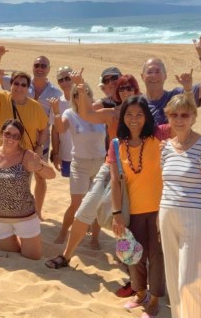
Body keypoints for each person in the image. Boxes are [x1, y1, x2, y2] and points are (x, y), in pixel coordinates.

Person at [44, 74, 140, 269]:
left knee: (130, 217)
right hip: (110, 166)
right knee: (85, 208)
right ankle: (66, 255)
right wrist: (79, 85)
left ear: (137, 90)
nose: (126, 91)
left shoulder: (145, 113)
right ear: (117, 93)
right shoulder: (110, 113)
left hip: (136, 171)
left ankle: (130, 262)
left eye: (130, 88)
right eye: (122, 89)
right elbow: (85, 114)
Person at [160, 93, 201, 318]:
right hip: (167, 214)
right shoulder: (165, 148)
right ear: (168, 117)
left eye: (184, 115)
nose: (179, 119)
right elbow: (164, 184)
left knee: (190, 281)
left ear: (193, 117)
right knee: (173, 278)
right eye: (174, 115)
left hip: (195, 217)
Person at [110, 96, 170, 317]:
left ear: (147, 116)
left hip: (159, 211)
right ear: (122, 116)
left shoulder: (158, 135)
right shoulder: (116, 145)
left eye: (139, 114)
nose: (134, 119)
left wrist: (186, 90)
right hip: (131, 212)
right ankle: (140, 293)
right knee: (134, 256)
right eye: (129, 114)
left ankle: (154, 299)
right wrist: (117, 214)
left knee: (156, 257)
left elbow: (184, 119)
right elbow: (114, 181)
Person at [0, 43, 62, 216]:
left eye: (43, 66)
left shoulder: (55, 92)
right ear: (33, 67)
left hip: (40, 139)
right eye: (37, 65)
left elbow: (53, 122)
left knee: (40, 175)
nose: (40, 68)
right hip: (15, 138)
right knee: (16, 175)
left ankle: (37, 211)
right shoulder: (22, 83)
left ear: (48, 69)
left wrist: (43, 147)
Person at [0, 120, 56, 259]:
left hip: (25, 217)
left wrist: (39, 167)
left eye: (16, 136)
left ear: (20, 139)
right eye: (8, 134)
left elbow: (51, 175)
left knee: (32, 257)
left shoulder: (27, 155)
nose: (11, 139)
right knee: (13, 255)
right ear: (2, 134)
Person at [49, 82, 107, 245]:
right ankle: (62, 233)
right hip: (80, 165)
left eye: (84, 93)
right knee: (76, 203)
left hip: (99, 164)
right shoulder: (70, 113)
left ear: (90, 94)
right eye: (76, 94)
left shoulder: (99, 112)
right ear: (73, 98)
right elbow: (60, 129)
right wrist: (55, 110)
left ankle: (95, 238)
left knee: (97, 204)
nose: (81, 97)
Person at [141, 35, 201, 125]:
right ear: (142, 76)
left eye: (157, 71)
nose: (154, 75)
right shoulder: (139, 103)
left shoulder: (177, 96)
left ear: (165, 76)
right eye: (149, 71)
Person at [50, 66, 74, 178]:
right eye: (61, 80)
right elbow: (54, 130)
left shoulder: (85, 99)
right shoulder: (57, 103)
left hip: (86, 155)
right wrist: (55, 154)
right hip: (66, 155)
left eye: (67, 78)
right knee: (74, 191)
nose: (64, 82)